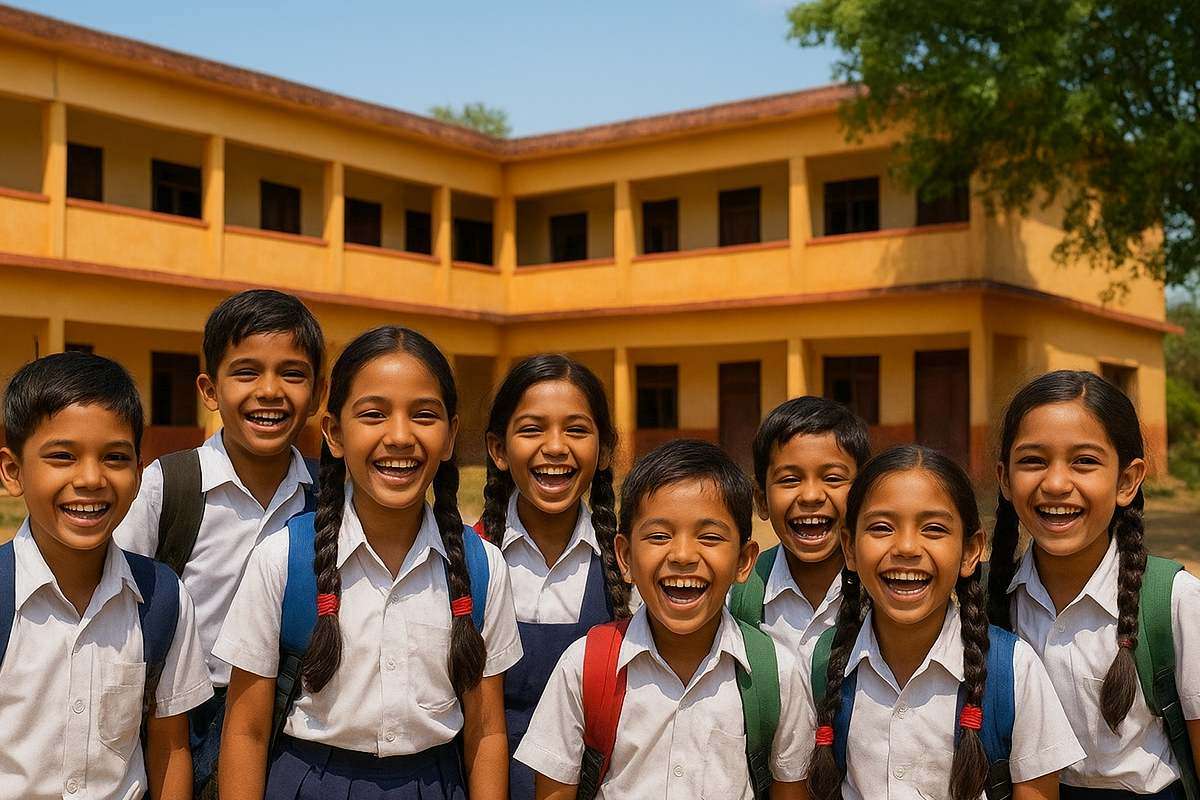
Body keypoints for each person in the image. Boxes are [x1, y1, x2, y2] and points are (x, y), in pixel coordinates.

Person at [214, 325, 522, 800]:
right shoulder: (282, 560)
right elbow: (245, 732)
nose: (399, 437)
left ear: (449, 436)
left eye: (424, 415)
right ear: (335, 433)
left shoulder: (482, 568)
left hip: (434, 784)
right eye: (374, 414)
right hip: (308, 783)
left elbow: (486, 732)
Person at [515, 438, 811, 799]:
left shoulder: (776, 674)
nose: (683, 555)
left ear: (744, 561)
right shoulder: (585, 666)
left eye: (710, 536)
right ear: (624, 557)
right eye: (659, 535)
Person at [116, 288, 325, 794]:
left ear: (318, 395)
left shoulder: (327, 498)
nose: (270, 390)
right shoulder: (169, 487)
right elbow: (118, 600)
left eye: (292, 373)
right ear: (210, 391)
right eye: (246, 372)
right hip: (180, 717)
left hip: (289, 716)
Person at [806, 445, 1083, 800]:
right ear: (849, 548)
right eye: (881, 527)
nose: (906, 547)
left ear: (970, 552)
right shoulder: (824, 663)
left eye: (934, 529)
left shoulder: (1014, 669)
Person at [0, 351, 212, 799]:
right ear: (13, 471)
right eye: (62, 456)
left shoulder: (162, 600)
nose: (91, 478)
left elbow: (170, 750)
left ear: (138, 471)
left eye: (115, 457)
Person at [987, 370, 1200, 798]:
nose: (1057, 484)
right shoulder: (992, 605)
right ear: (1005, 479)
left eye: (1084, 461)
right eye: (1032, 460)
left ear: (1126, 480)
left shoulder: (1172, 602)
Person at [477, 354, 631, 799]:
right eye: (532, 429)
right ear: (499, 450)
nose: (556, 446)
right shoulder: (462, 560)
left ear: (604, 452)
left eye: (577, 430)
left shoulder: (630, 568)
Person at [731, 396, 870, 661]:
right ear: (762, 501)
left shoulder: (886, 592)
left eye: (832, 478)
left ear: (864, 495)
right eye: (790, 479)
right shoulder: (737, 598)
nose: (810, 496)